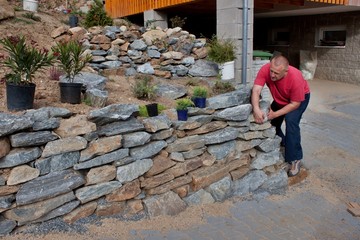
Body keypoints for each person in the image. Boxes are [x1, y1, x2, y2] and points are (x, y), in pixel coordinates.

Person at [251, 55, 310, 177]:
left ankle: (295, 159)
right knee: (273, 123)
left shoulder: (295, 77)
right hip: (281, 99)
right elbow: (256, 90)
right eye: (271, 71)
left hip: (298, 99)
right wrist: (256, 109)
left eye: (276, 73)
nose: (272, 75)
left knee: (291, 121)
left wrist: (275, 114)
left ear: (285, 71)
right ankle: (284, 142)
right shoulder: (265, 69)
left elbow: (294, 104)